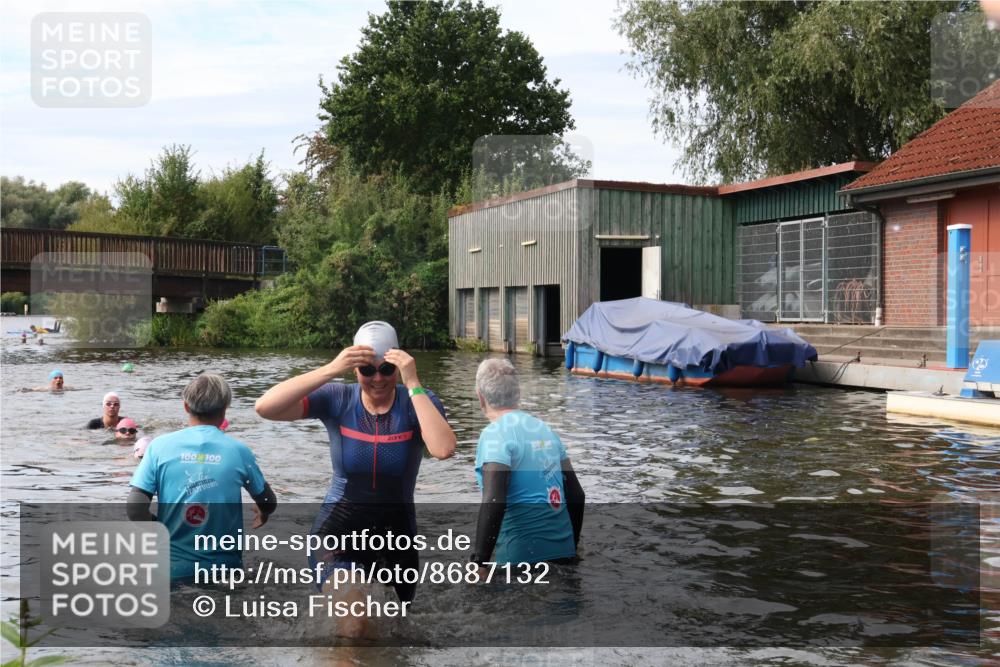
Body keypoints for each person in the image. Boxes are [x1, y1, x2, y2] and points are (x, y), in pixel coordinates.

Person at [255, 321, 456, 633]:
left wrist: (412, 381)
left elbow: (443, 448)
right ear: (354, 370)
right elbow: (265, 407)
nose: (377, 378)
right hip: (338, 531)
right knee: (355, 623)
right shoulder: (338, 399)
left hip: (397, 539)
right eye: (367, 370)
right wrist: (331, 368)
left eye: (387, 369)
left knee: (394, 636)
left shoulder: (417, 401)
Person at [127, 372, 277, 582]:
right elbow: (269, 501)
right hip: (225, 571)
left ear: (186, 407)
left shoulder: (158, 447)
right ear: (225, 410)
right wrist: (264, 511)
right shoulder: (239, 451)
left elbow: (135, 509)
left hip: (171, 570)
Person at [470, 358, 585, 568]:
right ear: (518, 394)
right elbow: (577, 495)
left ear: (480, 397)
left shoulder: (494, 434)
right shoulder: (546, 431)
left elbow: (494, 500)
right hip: (564, 555)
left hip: (519, 557)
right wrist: (572, 548)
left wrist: (479, 562)